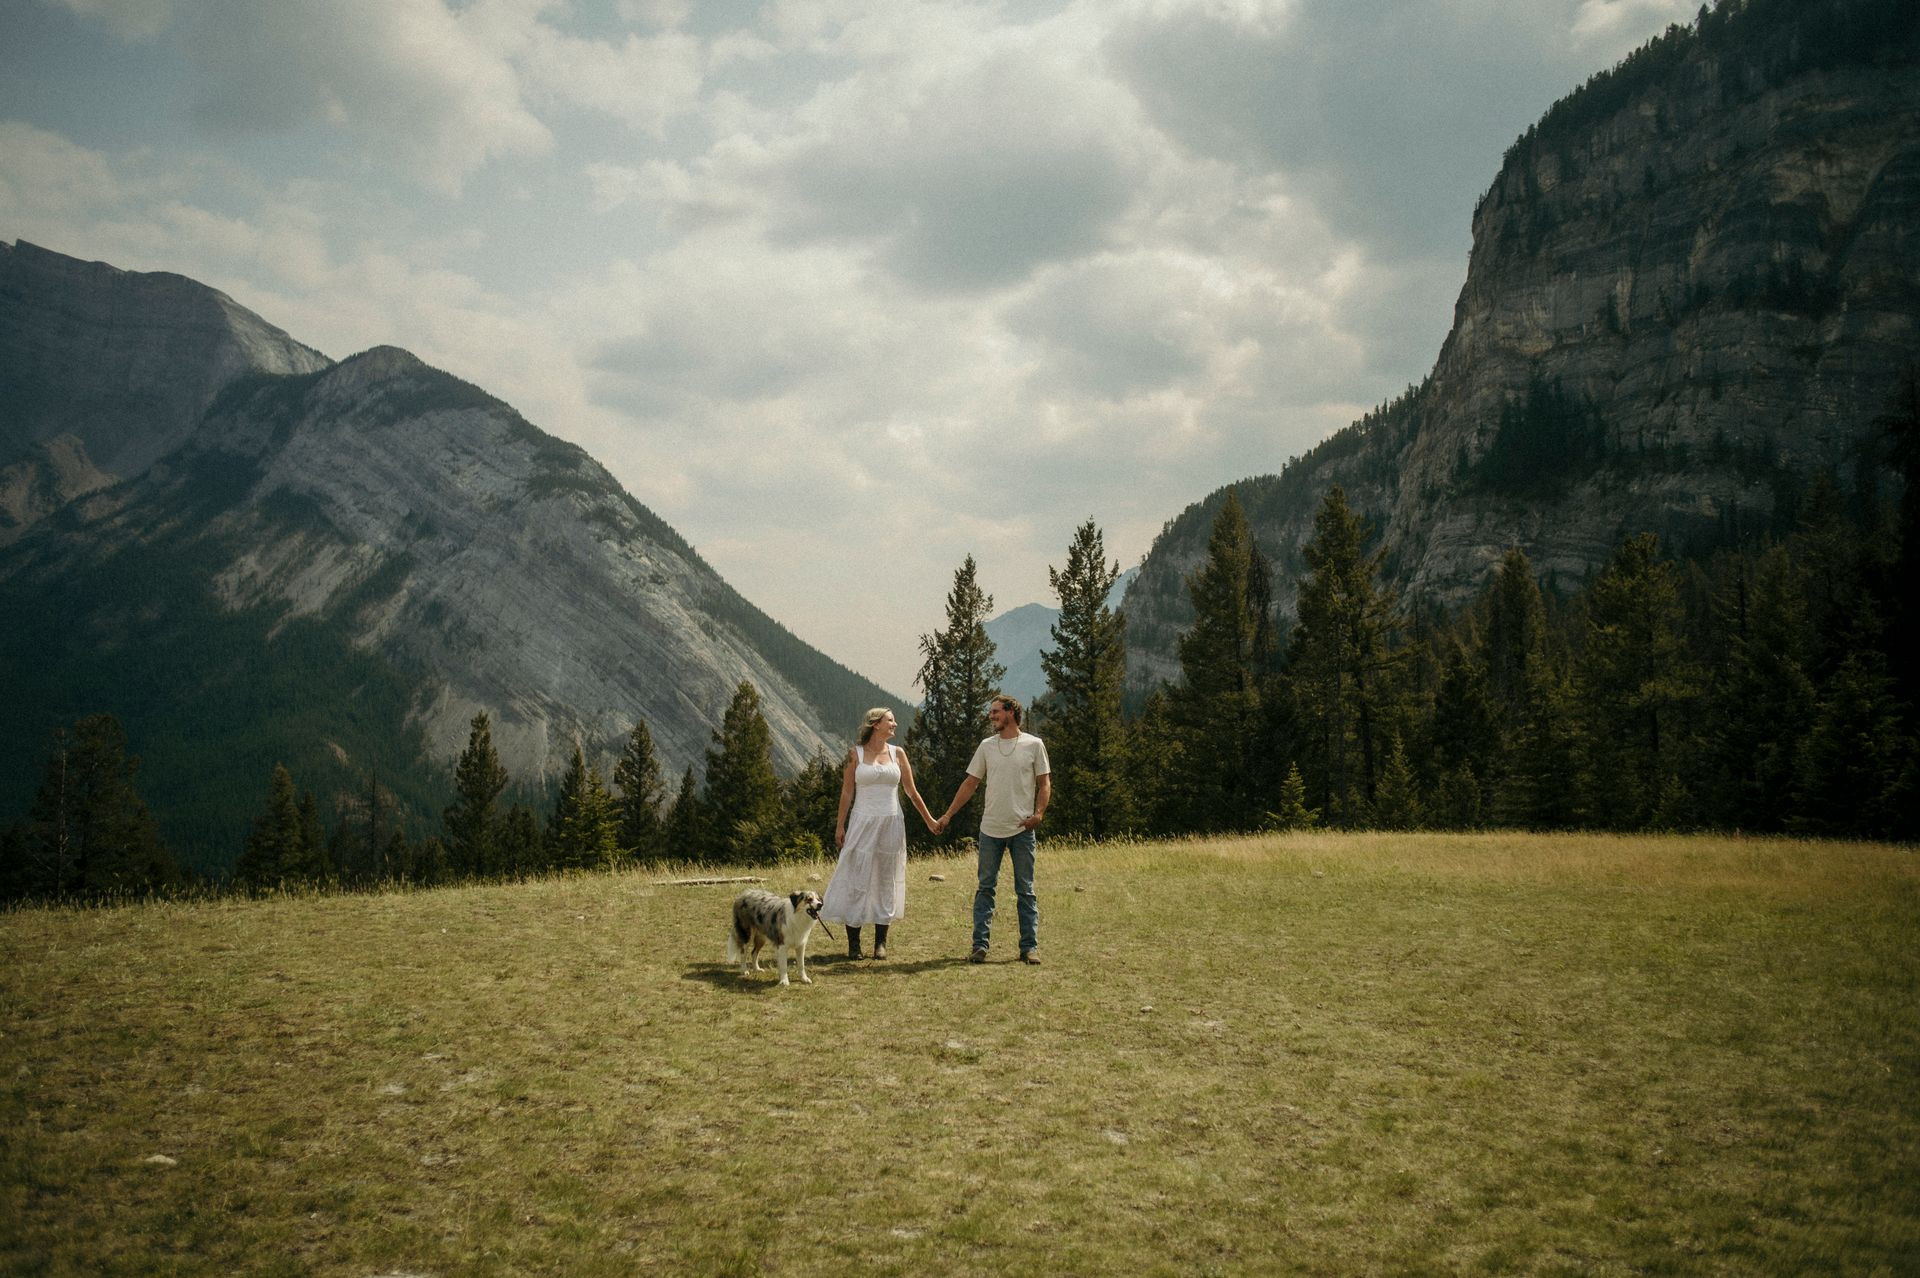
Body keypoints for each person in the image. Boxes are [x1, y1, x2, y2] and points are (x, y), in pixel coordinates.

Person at [935, 694, 1051, 965]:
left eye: (996, 711)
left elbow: (1044, 783)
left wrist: (1039, 814)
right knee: (985, 888)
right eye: (991, 712)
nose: (991, 716)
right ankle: (979, 946)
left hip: (1022, 830)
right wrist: (948, 814)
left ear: (1011, 712)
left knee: (1025, 890)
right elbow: (970, 783)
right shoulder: (987, 746)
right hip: (990, 830)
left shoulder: (1034, 745)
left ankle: (1029, 948)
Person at [822, 707, 939, 959]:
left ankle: (880, 943)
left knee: (886, 878)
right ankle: (854, 944)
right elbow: (847, 792)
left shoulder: (898, 754)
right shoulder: (856, 754)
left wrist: (929, 819)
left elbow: (911, 791)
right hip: (862, 822)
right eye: (890, 720)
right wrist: (840, 825)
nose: (895, 724)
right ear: (875, 724)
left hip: (891, 822)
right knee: (857, 878)